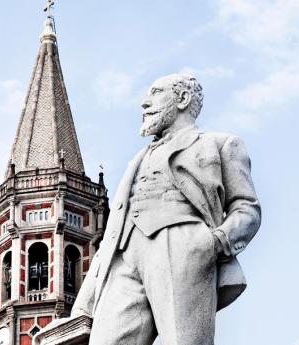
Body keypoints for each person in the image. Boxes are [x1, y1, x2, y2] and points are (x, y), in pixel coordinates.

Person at [72, 73, 261, 345]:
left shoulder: (221, 144)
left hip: (183, 246)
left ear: (182, 99)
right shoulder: (137, 160)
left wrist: (214, 243)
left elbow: (247, 208)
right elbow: (112, 233)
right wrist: (84, 305)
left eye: (155, 93)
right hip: (123, 255)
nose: (144, 103)